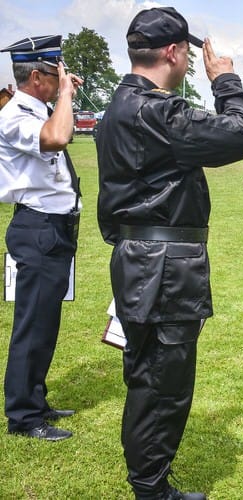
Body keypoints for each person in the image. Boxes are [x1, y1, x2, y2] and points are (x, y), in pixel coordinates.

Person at [96, 7, 243, 499]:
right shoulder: (158, 109)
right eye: (188, 52)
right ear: (173, 51)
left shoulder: (117, 107)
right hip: (164, 266)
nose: (192, 61)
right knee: (163, 383)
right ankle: (152, 489)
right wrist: (226, 79)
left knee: (148, 373)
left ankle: (149, 481)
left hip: (139, 258)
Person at [0, 35, 82, 442]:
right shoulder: (15, 115)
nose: (62, 79)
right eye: (57, 74)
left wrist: (62, 95)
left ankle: (36, 398)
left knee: (45, 323)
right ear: (37, 76)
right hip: (37, 229)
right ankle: (23, 416)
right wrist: (65, 95)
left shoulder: (40, 109)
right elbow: (57, 138)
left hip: (53, 229)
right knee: (32, 326)